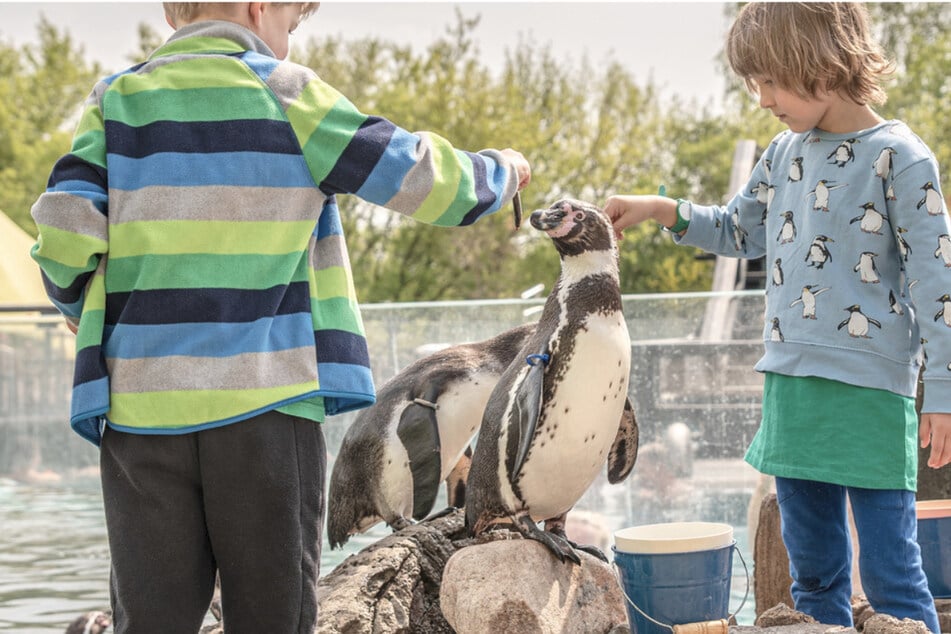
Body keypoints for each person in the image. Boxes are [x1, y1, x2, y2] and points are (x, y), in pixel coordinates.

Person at [29, 3, 530, 632]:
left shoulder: (116, 101)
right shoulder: (289, 95)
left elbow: (63, 228)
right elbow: (422, 176)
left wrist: (77, 302)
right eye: (291, 25)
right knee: (275, 614)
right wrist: (503, 172)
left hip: (142, 416)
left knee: (151, 618)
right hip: (265, 413)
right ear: (259, 7)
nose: (288, 44)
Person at [604, 3, 949, 631]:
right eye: (753, 83)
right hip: (790, 389)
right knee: (813, 574)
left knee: (893, 571)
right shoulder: (783, 151)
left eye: (771, 80)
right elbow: (739, 231)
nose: (762, 98)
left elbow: (939, 288)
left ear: (822, 64)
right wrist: (661, 208)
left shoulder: (902, 157)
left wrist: (944, 392)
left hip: (871, 393)